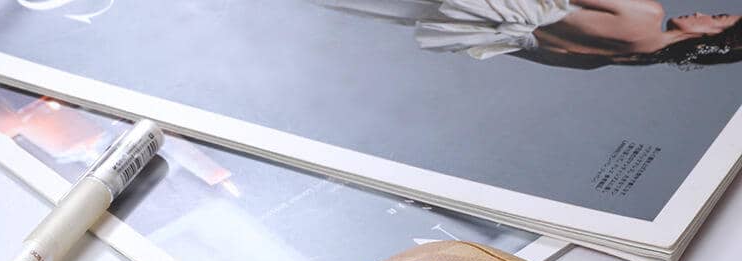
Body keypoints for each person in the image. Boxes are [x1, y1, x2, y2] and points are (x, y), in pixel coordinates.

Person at [318, 0, 742, 67]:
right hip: (475, 21)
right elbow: (526, 45)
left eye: (717, 17)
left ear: (712, 39)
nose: (703, 11)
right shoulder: (613, 60)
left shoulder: (648, 12)